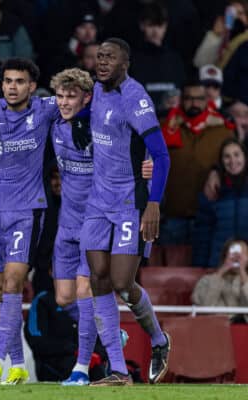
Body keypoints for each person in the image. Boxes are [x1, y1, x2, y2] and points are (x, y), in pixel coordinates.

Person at [0, 67, 155, 386]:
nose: (63, 102)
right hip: (67, 221)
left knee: (85, 290)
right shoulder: (54, 124)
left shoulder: (101, 125)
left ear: (86, 98)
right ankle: (110, 330)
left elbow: (133, 138)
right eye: (60, 96)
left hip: (99, 217)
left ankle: (83, 368)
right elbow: (28, 142)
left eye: (70, 97)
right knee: (64, 298)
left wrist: (147, 165)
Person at [81, 38, 171, 386]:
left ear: (125, 63)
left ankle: (159, 341)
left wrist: (153, 203)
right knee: (98, 277)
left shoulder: (136, 99)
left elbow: (161, 156)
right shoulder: (97, 91)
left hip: (130, 202)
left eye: (110, 57)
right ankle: (118, 371)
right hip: (97, 202)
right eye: (99, 56)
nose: (102, 62)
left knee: (121, 282)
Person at [0, 58, 60, 385]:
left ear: (32, 86)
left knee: (13, 280)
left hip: (28, 207)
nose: (12, 87)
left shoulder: (45, 109)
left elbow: (75, 106)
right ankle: (19, 365)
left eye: (19, 81)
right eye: (7, 81)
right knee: (0, 285)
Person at [161, 80, 234, 245]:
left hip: (210, 217)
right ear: (181, 100)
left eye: (199, 98)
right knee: (173, 270)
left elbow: (236, 166)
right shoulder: (165, 127)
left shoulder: (224, 130)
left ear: (207, 100)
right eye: (188, 98)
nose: (194, 103)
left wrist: (216, 170)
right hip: (172, 216)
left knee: (205, 268)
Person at [193, 139, 248, 268]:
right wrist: (200, 266)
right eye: (227, 156)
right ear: (221, 161)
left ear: (245, 157)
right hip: (219, 263)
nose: (232, 161)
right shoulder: (213, 189)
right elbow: (203, 233)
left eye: (236, 154)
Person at [192, 238, 248, 322]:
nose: (237, 257)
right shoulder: (206, 280)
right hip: (216, 329)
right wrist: (221, 272)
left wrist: (243, 274)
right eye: (233, 252)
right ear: (225, 255)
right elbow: (205, 307)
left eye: (242, 254)